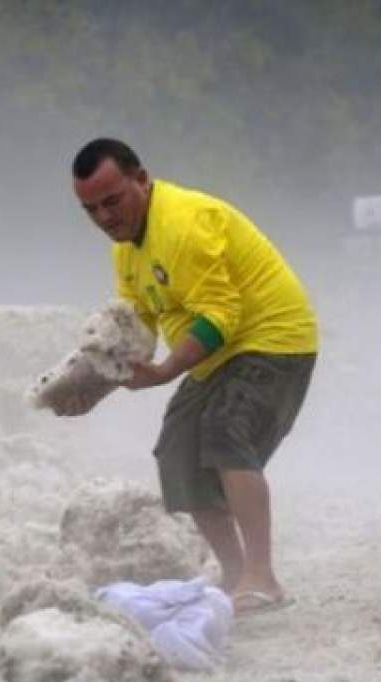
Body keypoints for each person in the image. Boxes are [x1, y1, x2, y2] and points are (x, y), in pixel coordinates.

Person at [63, 138, 319, 616]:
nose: (105, 218)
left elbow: (222, 314)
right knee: (177, 452)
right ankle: (235, 571)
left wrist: (162, 372)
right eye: (91, 209)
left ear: (142, 179)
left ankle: (262, 576)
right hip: (216, 355)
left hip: (272, 338)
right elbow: (134, 329)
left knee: (226, 432)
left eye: (113, 201)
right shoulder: (126, 252)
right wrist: (85, 387)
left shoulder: (181, 226)